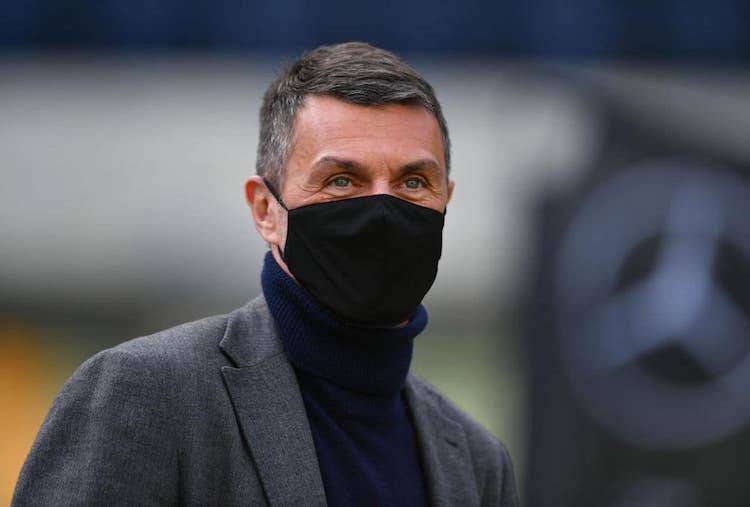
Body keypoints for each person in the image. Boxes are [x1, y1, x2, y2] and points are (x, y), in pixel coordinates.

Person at [13, 42, 518, 507]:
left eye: (413, 182)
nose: (382, 210)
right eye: (342, 180)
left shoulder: (477, 462)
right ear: (265, 210)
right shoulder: (146, 394)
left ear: (446, 199)